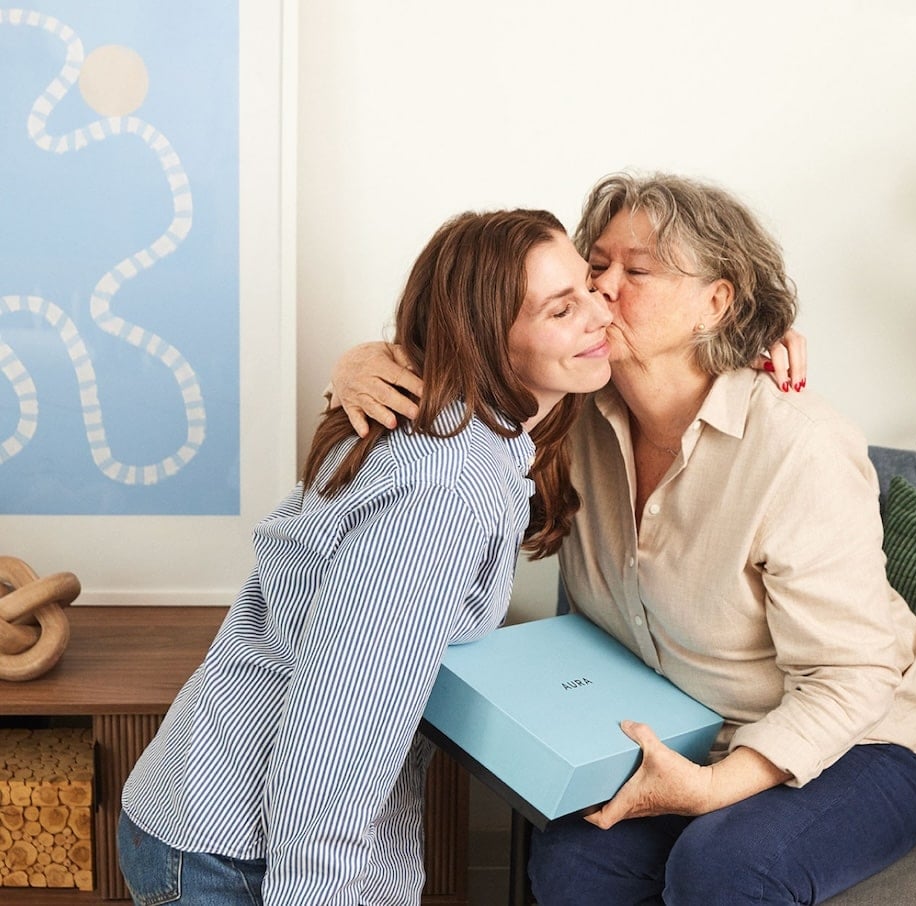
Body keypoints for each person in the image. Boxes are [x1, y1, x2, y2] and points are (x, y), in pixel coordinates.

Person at [332, 173, 916, 906]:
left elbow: (851, 679)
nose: (601, 291)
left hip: (857, 744)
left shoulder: (798, 447)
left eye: (638, 270)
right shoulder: (569, 412)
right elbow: (472, 363)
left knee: (724, 866)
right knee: (571, 863)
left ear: (716, 302)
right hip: (677, 732)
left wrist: (715, 787)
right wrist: (369, 362)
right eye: (596, 267)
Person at [117, 208, 614, 905]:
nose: (601, 314)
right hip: (238, 857)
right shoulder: (444, 491)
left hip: (211, 814)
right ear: (486, 341)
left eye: (590, 287)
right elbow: (336, 727)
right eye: (563, 309)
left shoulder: (461, 430)